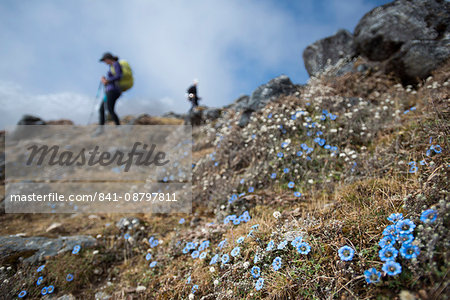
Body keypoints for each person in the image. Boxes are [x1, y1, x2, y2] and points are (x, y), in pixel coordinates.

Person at [99, 52, 122, 126]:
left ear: (108, 59)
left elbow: (118, 76)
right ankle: (101, 129)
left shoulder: (115, 64)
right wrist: (106, 80)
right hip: (110, 90)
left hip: (113, 91)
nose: (104, 62)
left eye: (104, 60)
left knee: (109, 109)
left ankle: (118, 127)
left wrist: (107, 80)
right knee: (102, 109)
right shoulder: (112, 66)